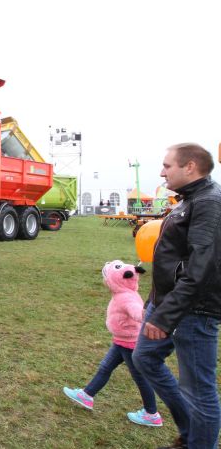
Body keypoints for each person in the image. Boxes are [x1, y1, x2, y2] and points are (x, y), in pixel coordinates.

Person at [132, 143, 221, 449]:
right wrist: (155, 301)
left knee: (199, 389)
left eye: (167, 165)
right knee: (144, 357)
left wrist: (165, 315)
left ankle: (198, 441)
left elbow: (200, 268)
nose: (161, 171)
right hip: (167, 304)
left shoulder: (209, 202)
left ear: (190, 167)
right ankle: (190, 430)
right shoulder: (189, 199)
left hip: (194, 312)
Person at [63, 260, 161, 427]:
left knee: (140, 377)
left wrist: (146, 314)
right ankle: (87, 395)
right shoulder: (124, 293)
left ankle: (151, 414)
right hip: (121, 340)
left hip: (130, 344)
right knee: (106, 367)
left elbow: (137, 312)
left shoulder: (126, 298)